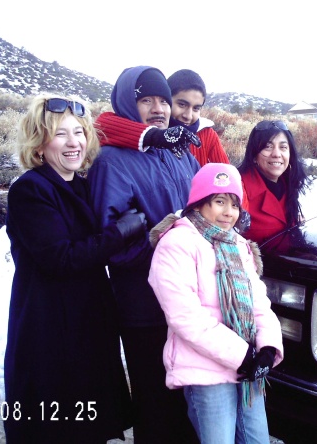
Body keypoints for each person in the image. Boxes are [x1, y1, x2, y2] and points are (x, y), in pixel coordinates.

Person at [4, 94, 144, 443]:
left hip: (87, 327)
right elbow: (61, 258)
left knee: (89, 428)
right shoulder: (30, 190)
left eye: (79, 132)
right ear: (39, 142)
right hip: (48, 333)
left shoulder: (81, 184)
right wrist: (120, 232)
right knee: (55, 429)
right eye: (61, 134)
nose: (74, 143)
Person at [87, 66, 200, 443]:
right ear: (126, 103)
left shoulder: (179, 151)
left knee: (189, 403)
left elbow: (202, 210)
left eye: (163, 100)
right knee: (156, 406)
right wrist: (166, 242)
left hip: (188, 302)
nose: (158, 108)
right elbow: (111, 244)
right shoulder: (111, 161)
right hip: (144, 308)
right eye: (146, 100)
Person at [147, 163, 284, 444]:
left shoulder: (238, 244)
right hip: (206, 369)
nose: (228, 212)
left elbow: (259, 301)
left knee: (257, 440)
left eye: (234, 204)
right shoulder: (177, 243)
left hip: (248, 370)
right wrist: (243, 355)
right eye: (219, 201)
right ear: (198, 204)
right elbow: (185, 316)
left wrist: (268, 348)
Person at [97, 68, 229, 166]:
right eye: (182, 104)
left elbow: (229, 179)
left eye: (196, 108)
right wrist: (154, 136)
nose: (188, 116)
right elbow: (102, 126)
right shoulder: (155, 129)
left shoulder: (206, 134)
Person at [237, 120, 309, 245]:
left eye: (283, 147)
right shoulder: (237, 190)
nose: (276, 154)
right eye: (267, 147)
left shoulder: (290, 186)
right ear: (254, 155)